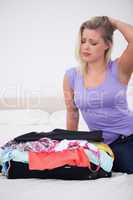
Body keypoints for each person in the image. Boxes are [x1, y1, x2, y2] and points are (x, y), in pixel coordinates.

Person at [63, 16, 133, 174]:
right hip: (99, 144)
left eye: (93, 43)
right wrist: (72, 145)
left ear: (107, 45)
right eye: (83, 41)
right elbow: (72, 113)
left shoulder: (119, 69)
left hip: (127, 138)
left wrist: (114, 22)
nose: (86, 47)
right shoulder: (71, 76)